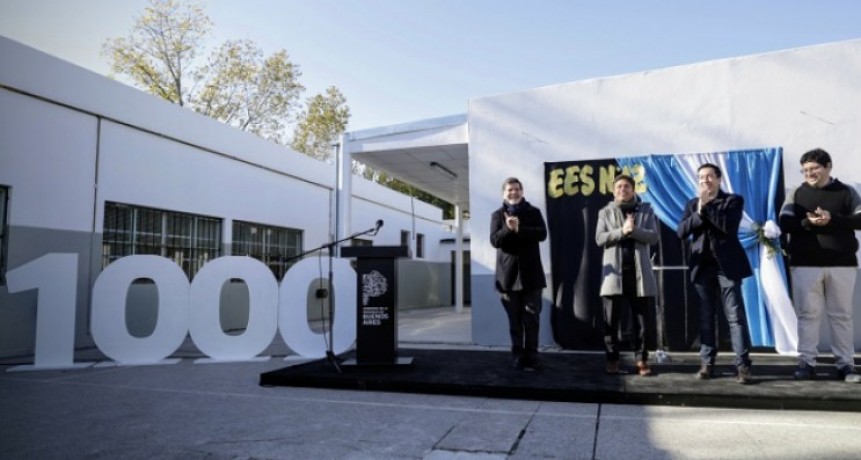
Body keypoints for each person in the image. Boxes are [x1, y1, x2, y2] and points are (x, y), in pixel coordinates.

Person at [778, 148, 861, 383]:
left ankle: (846, 366)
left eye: (814, 168)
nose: (809, 173)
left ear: (828, 167)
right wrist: (808, 222)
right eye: (805, 170)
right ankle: (806, 363)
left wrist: (833, 219)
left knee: (842, 316)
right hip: (805, 265)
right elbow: (785, 222)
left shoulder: (847, 192)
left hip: (842, 265)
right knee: (807, 315)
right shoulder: (797, 193)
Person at [677, 163, 754, 384]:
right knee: (705, 317)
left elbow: (726, 227)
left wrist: (707, 206)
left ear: (719, 179)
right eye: (701, 178)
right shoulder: (693, 204)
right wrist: (700, 208)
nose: (705, 181)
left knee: (735, 317)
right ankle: (707, 362)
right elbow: (682, 231)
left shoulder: (733, 200)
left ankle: (742, 365)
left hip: (726, 267)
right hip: (702, 267)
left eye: (710, 176)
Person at [595, 174, 659, 376]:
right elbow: (600, 239)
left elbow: (653, 237)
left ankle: (641, 360)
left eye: (627, 186)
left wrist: (634, 230)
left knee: (641, 322)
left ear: (634, 190)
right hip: (615, 277)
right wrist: (622, 232)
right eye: (619, 187)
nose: (623, 189)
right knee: (611, 322)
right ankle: (612, 360)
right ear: (614, 191)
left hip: (639, 276)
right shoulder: (605, 212)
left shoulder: (647, 210)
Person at [490, 177, 548, 371]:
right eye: (509, 190)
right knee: (514, 321)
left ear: (522, 192)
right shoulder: (497, 215)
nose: (513, 193)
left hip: (532, 276)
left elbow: (541, 234)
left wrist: (519, 229)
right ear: (503, 193)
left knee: (532, 319)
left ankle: (533, 355)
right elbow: (495, 241)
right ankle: (518, 356)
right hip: (507, 278)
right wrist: (508, 229)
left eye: (517, 189)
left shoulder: (534, 212)